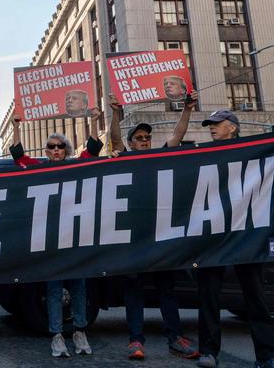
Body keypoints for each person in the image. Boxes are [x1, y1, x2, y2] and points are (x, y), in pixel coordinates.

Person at [108, 91, 200, 361]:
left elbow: (178, 135)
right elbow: (114, 137)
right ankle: (135, 340)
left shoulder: (161, 157)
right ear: (131, 143)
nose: (145, 142)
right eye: (139, 138)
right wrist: (115, 113)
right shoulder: (123, 158)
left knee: (167, 290)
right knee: (134, 291)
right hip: (135, 239)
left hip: (161, 236)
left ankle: (175, 338)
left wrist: (187, 109)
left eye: (147, 138)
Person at [9, 108, 103, 357]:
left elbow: (92, 150)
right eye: (51, 146)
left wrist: (94, 121)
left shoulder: (76, 166)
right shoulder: (40, 169)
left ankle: (80, 331)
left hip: (76, 237)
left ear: (67, 149)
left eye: (60, 146)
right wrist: (17, 126)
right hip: (51, 240)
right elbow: (19, 157)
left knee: (79, 287)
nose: (55, 150)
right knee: (53, 288)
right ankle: (57, 336)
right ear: (47, 151)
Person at [196, 110, 274, 368]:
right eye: (209, 125)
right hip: (214, 237)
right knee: (208, 296)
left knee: (255, 295)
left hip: (247, 235)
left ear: (232, 128)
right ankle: (208, 352)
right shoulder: (203, 155)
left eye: (216, 124)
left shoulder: (253, 151)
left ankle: (267, 355)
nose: (211, 128)